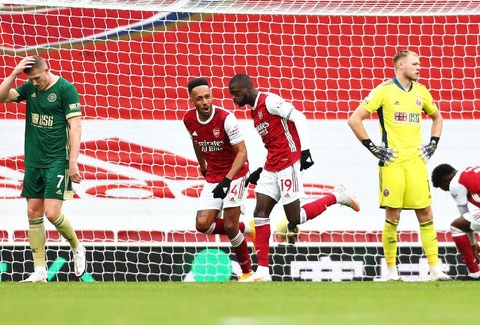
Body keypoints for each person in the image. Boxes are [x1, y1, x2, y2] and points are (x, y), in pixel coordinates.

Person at [228, 73, 360, 282]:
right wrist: (261, 170)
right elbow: (274, 142)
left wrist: (305, 151)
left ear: (247, 88)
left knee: (294, 218)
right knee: (260, 212)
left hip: (289, 163)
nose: (233, 99)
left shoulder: (269, 101)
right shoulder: (254, 112)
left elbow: (299, 117)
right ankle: (262, 271)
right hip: (272, 165)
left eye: (235, 94)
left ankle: (336, 196)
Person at [347, 50, 450, 281]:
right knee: (394, 216)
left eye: (419, 63)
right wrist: (373, 148)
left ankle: (435, 270)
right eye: (415, 63)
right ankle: (391, 272)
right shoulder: (383, 91)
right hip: (392, 164)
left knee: (425, 213)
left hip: (416, 164)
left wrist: (433, 144)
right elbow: (354, 119)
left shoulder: (422, 92)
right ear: (400, 65)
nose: (419, 67)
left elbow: (438, 118)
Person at [0, 55, 86, 282]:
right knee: (33, 213)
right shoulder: (29, 88)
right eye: (31, 79)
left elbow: (75, 127)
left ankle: (77, 246)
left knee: (52, 213)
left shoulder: (66, 89)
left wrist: (73, 161)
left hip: (57, 160)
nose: (35, 83)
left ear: (47, 69)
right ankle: (40, 271)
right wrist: (15, 74)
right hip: (34, 161)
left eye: (36, 78)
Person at [184, 77, 256, 281]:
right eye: (199, 99)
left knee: (231, 227)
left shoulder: (226, 118)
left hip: (236, 174)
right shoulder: (189, 120)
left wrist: (227, 180)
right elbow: (197, 142)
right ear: (192, 101)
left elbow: (242, 154)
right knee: (202, 224)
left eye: (208, 96)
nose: (205, 102)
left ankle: (247, 273)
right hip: (214, 175)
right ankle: (248, 228)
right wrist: (203, 166)